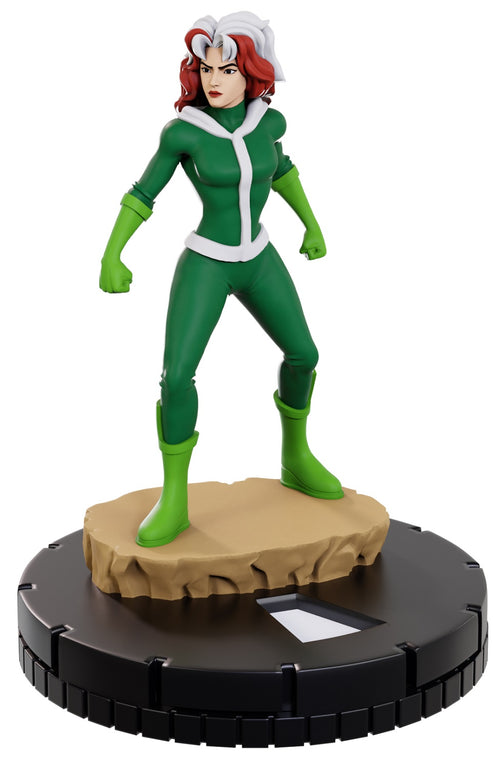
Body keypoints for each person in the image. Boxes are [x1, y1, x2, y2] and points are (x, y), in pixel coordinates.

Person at [100, 12, 343, 548]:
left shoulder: (268, 124)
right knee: (176, 378)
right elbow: (143, 193)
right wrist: (113, 253)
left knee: (304, 355)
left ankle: (296, 456)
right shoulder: (184, 133)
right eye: (207, 68)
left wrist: (311, 224)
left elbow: (281, 171)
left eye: (227, 70)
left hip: (259, 257)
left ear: (251, 74)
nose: (214, 79)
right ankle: (174, 497)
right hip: (207, 262)